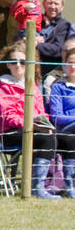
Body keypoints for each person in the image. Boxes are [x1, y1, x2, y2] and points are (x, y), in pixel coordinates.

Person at [0, 44, 57, 198]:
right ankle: (37, 187)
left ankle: (63, 184)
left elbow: (41, 112)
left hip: (34, 129)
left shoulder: (33, 85)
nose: (18, 65)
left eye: (23, 62)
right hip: (11, 132)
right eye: (14, 62)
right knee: (46, 139)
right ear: (7, 65)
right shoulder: (2, 86)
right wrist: (30, 124)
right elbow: (9, 117)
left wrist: (45, 125)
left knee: (62, 137)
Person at [16, 0, 71, 80]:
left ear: (62, 6)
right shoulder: (34, 18)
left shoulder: (64, 25)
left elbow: (58, 49)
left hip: (47, 72)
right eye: (49, 3)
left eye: (56, 3)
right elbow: (19, 37)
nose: (52, 6)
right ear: (43, 4)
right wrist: (26, 40)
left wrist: (36, 44)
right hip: (25, 68)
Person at [48, 46, 75, 198]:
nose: (73, 66)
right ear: (64, 64)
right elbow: (57, 117)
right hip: (66, 131)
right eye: (70, 62)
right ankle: (70, 183)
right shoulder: (59, 87)